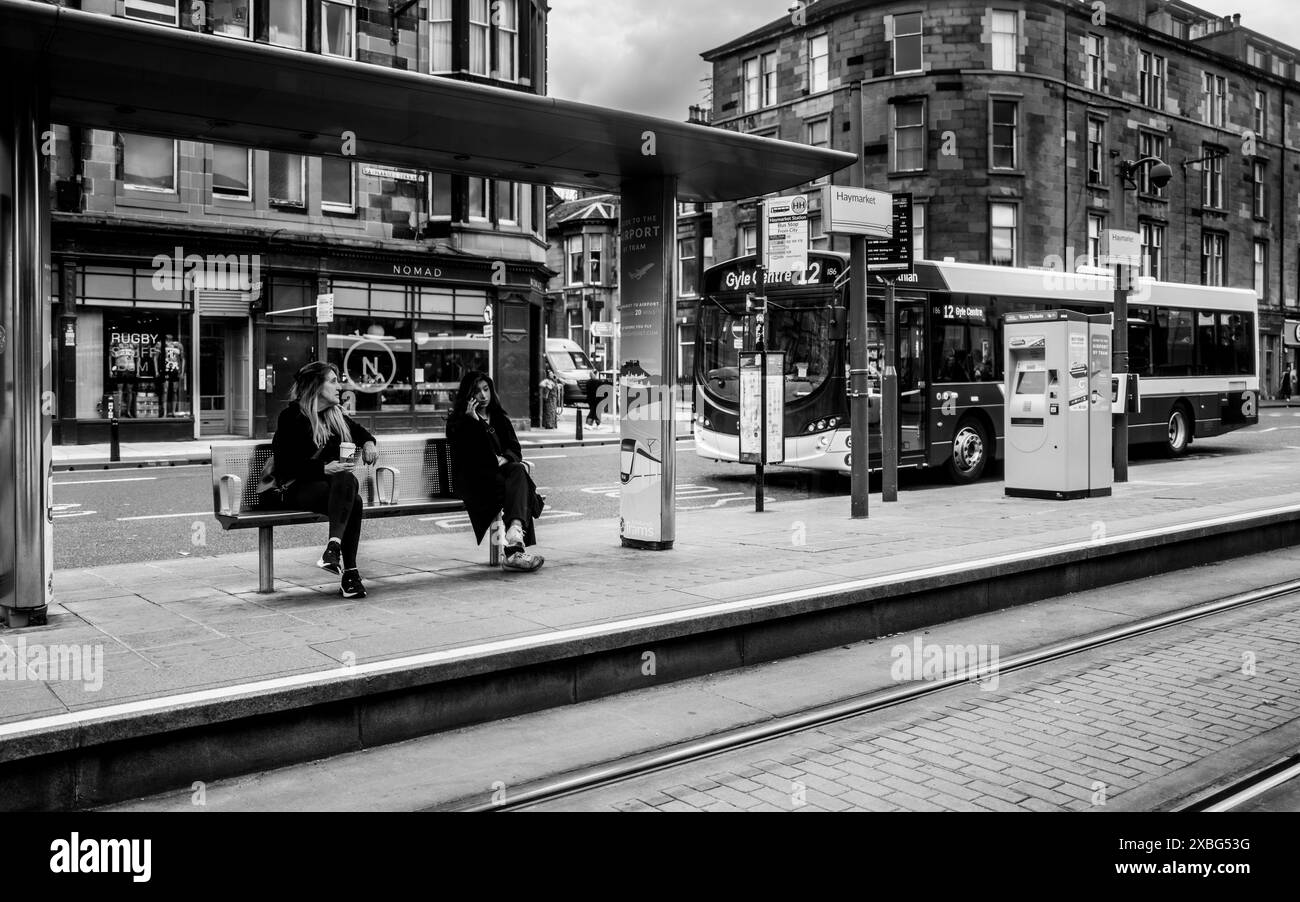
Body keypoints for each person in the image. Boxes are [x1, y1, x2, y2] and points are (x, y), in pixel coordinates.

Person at [271, 362, 378, 598]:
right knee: (353, 498)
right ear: (315, 386)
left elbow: (362, 433)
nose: (339, 386)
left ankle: (333, 550)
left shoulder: (335, 415)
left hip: (332, 489)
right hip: (297, 488)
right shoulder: (291, 417)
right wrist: (323, 468)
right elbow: (285, 465)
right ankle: (349, 574)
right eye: (332, 381)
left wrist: (369, 443)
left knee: (350, 488)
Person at [446, 371, 544, 572]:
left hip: (500, 476)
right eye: (477, 391)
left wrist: (504, 458)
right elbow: (471, 456)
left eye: (486, 389)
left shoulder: (499, 417)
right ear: (468, 394)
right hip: (476, 480)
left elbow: (515, 449)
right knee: (521, 487)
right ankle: (515, 547)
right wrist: (473, 421)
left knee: (517, 471)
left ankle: (515, 539)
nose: (483, 396)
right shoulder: (458, 421)